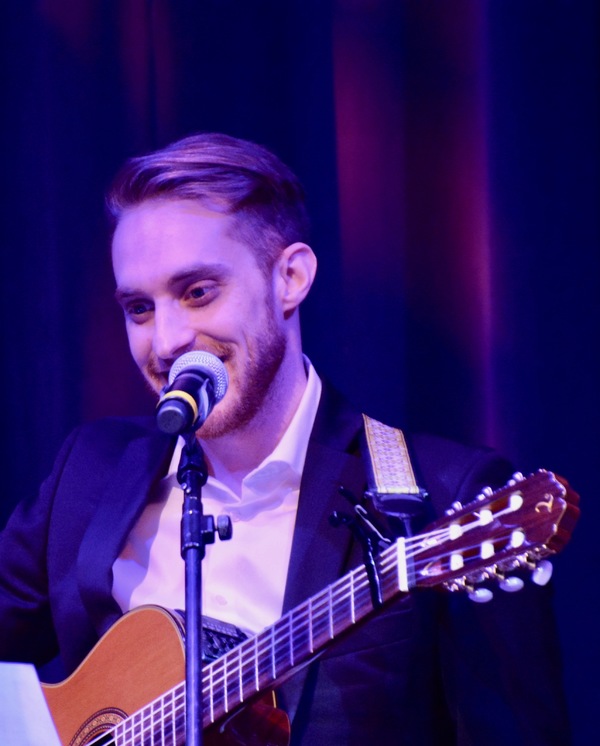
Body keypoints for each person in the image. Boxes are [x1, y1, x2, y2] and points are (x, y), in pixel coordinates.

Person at [0, 132, 572, 744]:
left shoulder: (436, 492)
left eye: (197, 292)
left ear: (291, 277)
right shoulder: (88, 472)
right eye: (140, 308)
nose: (165, 342)